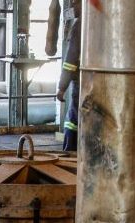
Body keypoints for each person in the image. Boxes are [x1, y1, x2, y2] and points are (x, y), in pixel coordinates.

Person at [56, 0, 80, 151]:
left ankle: (69, 151)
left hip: (81, 81)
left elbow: (70, 60)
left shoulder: (80, 26)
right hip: (96, 81)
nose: (72, 7)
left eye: (75, 3)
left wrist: (61, 87)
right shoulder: (101, 24)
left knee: (73, 119)